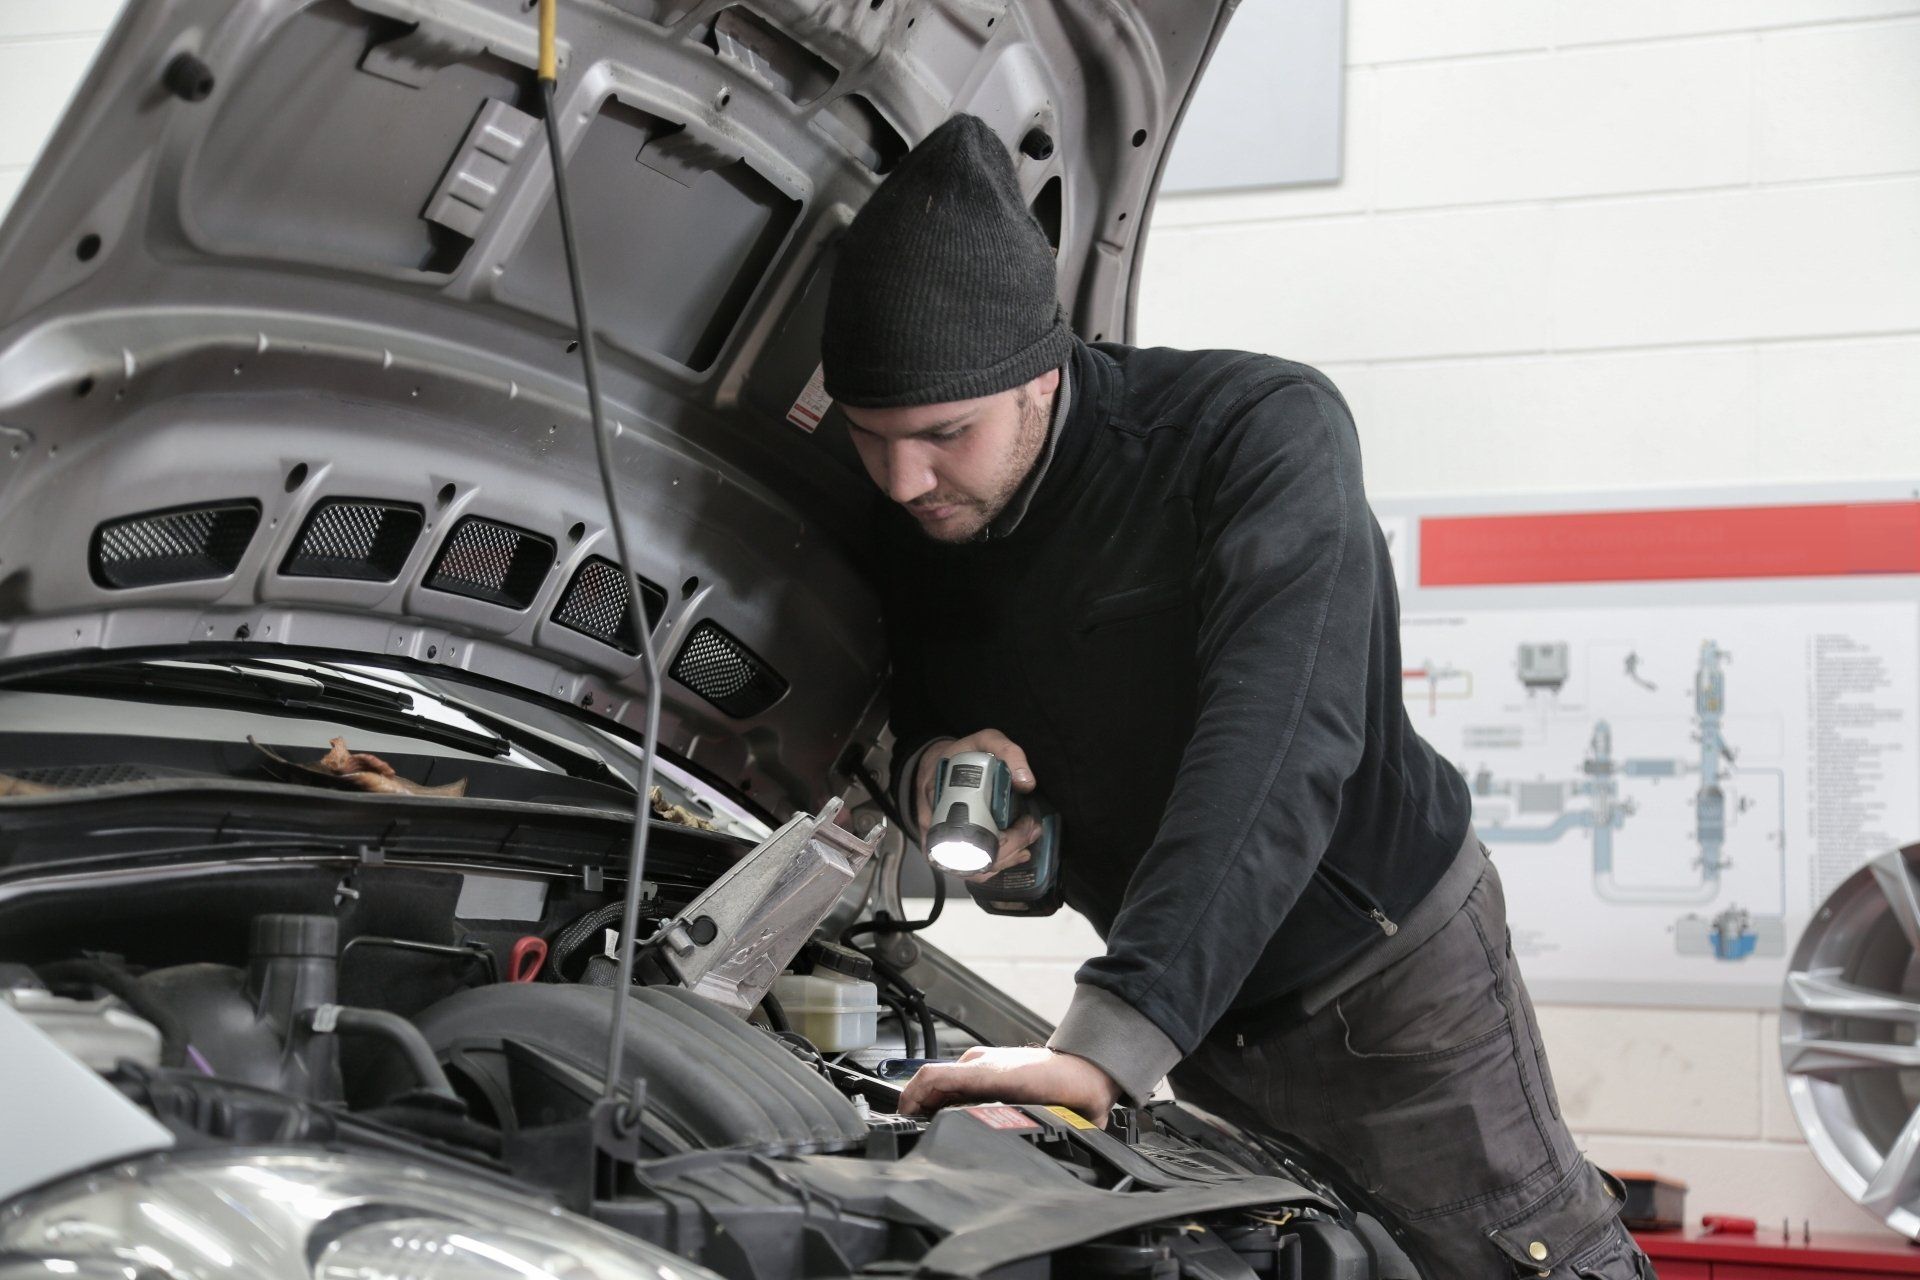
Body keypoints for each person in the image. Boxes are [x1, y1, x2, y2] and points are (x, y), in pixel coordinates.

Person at [817, 115, 1649, 1279]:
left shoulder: (1252, 436)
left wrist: (1105, 1043)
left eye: (943, 434)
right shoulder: (913, 518)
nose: (904, 479)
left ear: (1042, 370)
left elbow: (1278, 742)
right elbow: (896, 710)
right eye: (870, 438)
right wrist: (940, 787)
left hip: (1390, 989)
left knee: (1515, 1260)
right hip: (1196, 1016)